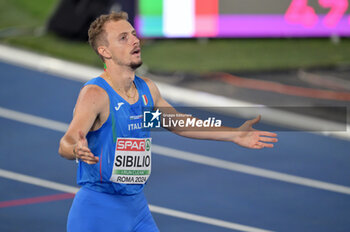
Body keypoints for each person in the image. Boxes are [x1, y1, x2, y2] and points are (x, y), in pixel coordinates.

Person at [58, 11, 278, 232]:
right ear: (104, 51)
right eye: (123, 38)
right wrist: (76, 149)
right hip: (98, 212)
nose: (135, 40)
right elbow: (66, 142)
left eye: (133, 34)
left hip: (136, 209)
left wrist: (235, 134)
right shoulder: (96, 94)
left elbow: (179, 123)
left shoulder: (147, 90)